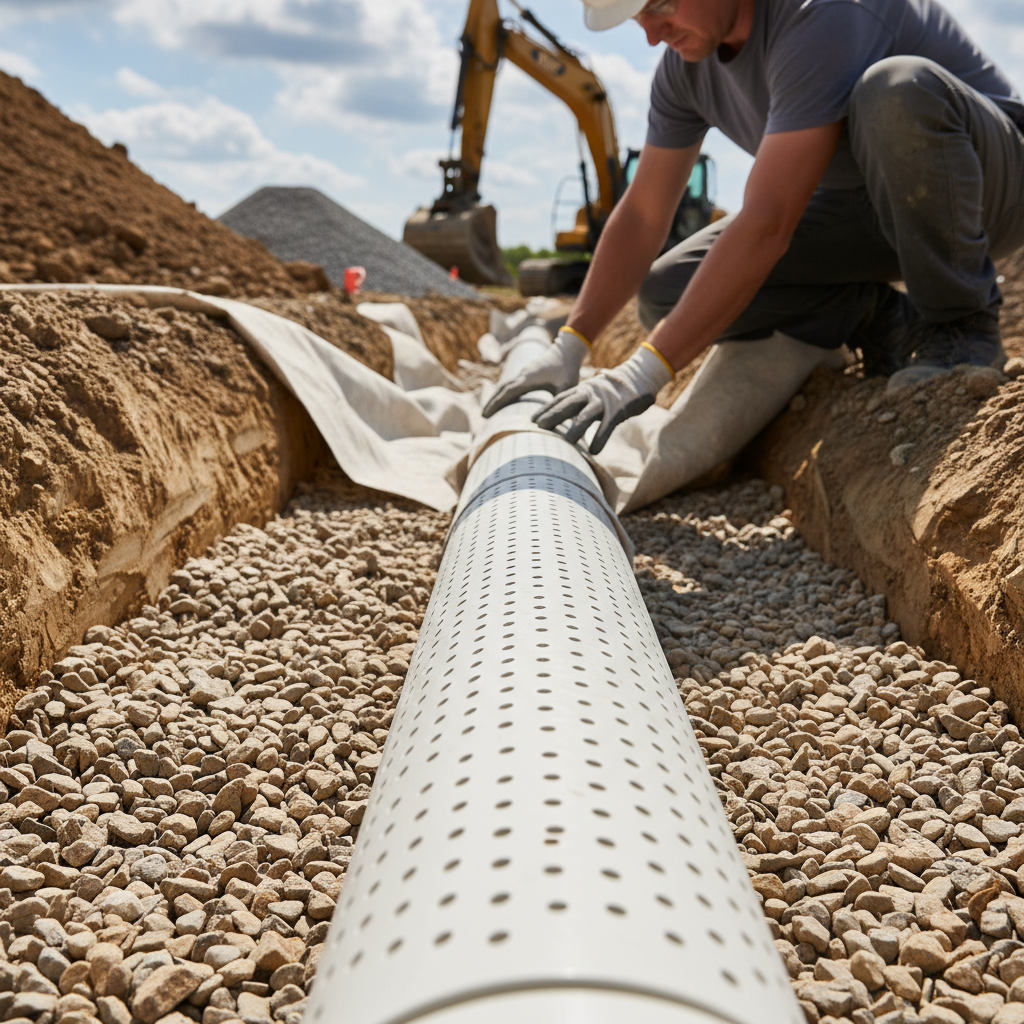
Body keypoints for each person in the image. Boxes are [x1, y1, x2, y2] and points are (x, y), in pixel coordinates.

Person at [484, 0, 1024, 456]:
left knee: (894, 89)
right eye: (638, 19)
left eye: (660, 6)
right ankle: (883, 319)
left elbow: (768, 223)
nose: (651, 35)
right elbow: (645, 213)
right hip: (866, 208)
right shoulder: (685, 70)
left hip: (988, 185)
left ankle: (961, 323)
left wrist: (642, 373)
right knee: (667, 292)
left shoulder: (821, 12)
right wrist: (571, 345)